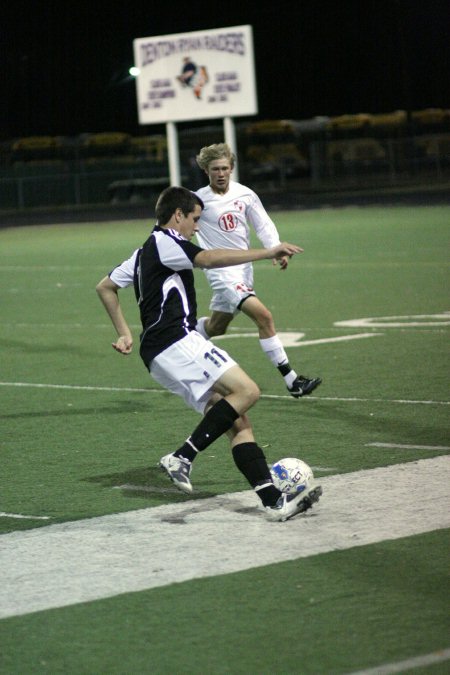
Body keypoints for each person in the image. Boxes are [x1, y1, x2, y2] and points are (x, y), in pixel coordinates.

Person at [96, 186, 322, 522]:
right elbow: (209, 258)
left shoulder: (143, 251)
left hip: (161, 351)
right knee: (248, 391)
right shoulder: (165, 242)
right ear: (178, 216)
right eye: (195, 219)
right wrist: (267, 252)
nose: (197, 227)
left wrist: (125, 333)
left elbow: (105, 286)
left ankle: (274, 501)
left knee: (238, 421)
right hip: (176, 341)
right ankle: (182, 456)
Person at [193, 143, 322, 399]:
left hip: (244, 271)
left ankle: (180, 337)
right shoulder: (197, 200)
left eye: (225, 168)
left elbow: (263, 224)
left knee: (217, 326)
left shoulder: (245, 194)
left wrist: (276, 248)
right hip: (221, 273)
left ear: (232, 169)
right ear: (206, 171)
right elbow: (175, 223)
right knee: (264, 317)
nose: (220, 173)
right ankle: (292, 380)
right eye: (215, 169)